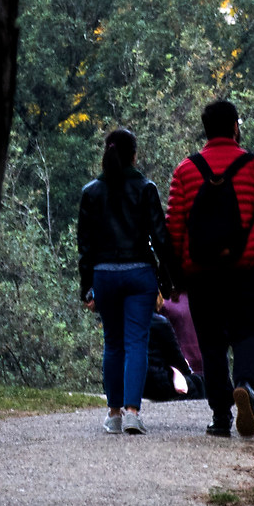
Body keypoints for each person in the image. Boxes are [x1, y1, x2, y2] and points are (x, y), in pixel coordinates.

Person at [167, 99, 254, 438]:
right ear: (235, 127)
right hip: (248, 273)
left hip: (202, 276)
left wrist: (175, 279)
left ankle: (220, 417)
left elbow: (174, 228)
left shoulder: (186, 171)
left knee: (211, 345)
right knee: (250, 334)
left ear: (206, 129)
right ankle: (245, 385)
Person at [78, 127, 174, 435]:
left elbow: (85, 247)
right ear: (135, 155)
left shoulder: (91, 192)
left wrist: (86, 287)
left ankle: (114, 413)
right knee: (136, 343)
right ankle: (133, 413)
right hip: (139, 275)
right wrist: (165, 279)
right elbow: (160, 238)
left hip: (105, 275)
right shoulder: (146, 188)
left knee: (113, 344)